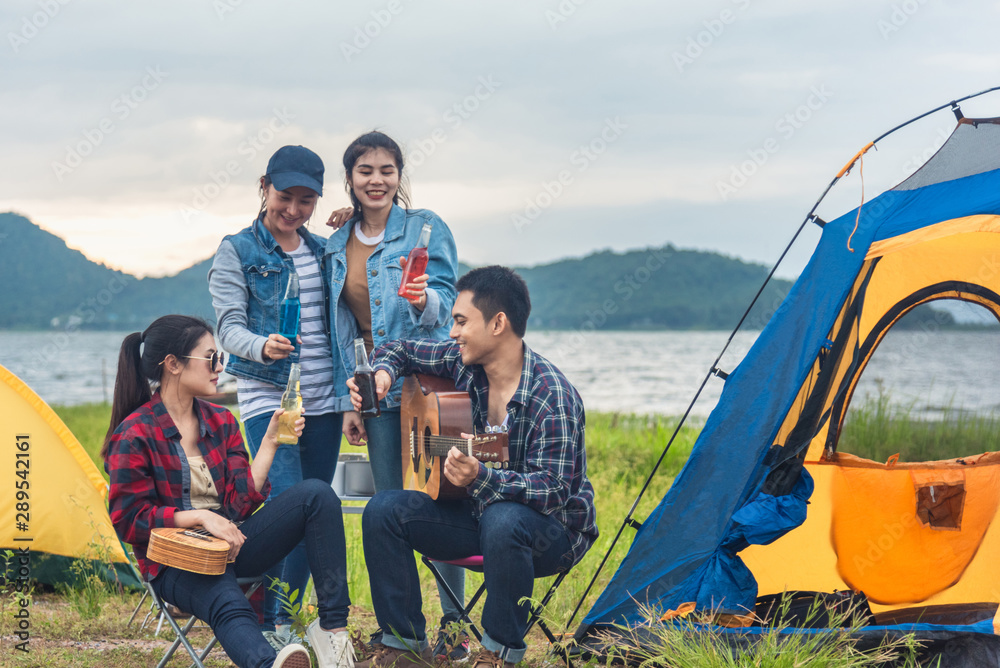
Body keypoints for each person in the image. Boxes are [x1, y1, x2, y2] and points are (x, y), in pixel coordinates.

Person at [347, 266, 598, 668]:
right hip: (481, 519)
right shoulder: (464, 364)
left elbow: (554, 490)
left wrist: (482, 477)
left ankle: (498, 653)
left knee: (503, 518)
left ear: (498, 323)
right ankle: (404, 646)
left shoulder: (552, 396)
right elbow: (400, 348)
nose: (452, 332)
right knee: (384, 510)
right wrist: (381, 374)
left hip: (551, 534)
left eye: (461, 321)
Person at [103, 315, 354, 668]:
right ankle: (270, 664)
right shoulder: (134, 434)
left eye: (219, 358)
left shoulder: (221, 421)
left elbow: (238, 505)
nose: (220, 366)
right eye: (210, 358)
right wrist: (201, 517)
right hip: (173, 562)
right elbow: (129, 521)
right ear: (173, 365)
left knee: (317, 494)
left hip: (231, 545)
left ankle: (332, 631)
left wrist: (268, 442)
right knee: (226, 598)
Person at [324, 131, 468, 660]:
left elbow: (452, 300)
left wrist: (424, 296)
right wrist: (349, 403)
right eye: (365, 171)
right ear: (351, 179)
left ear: (399, 176)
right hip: (373, 390)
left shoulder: (426, 229)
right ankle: (404, 633)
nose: (377, 179)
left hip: (429, 387)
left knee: (440, 498)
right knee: (389, 509)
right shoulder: (336, 244)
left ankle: (455, 626)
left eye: (387, 170)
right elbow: (342, 327)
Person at [209, 145, 342, 647]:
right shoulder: (237, 250)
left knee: (319, 509)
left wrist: (350, 224)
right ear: (264, 187)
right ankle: (268, 623)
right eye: (286, 196)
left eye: (307, 200)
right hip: (271, 399)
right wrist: (262, 346)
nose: (294, 209)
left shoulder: (324, 249)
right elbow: (228, 328)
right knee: (289, 505)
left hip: (325, 402)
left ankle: (286, 622)